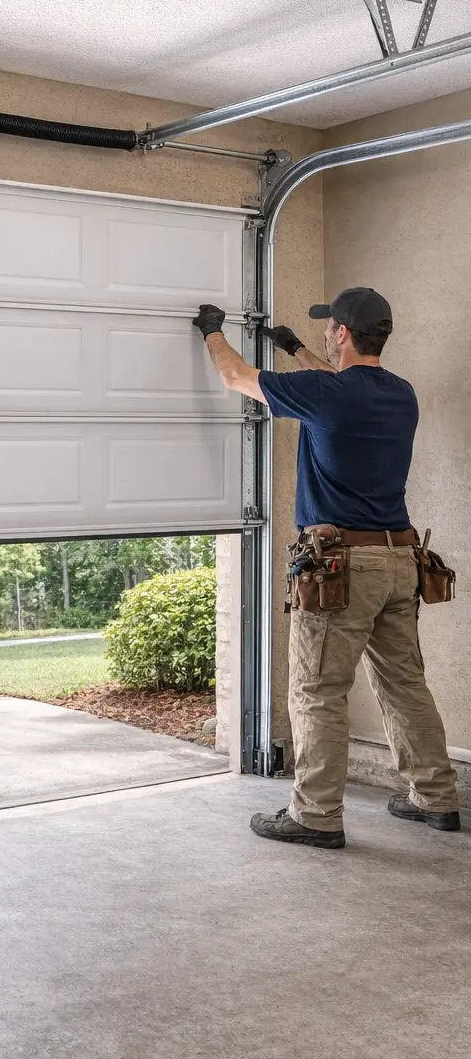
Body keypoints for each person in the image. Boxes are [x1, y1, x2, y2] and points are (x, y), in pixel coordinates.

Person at [192, 287, 459, 849]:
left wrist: (212, 329)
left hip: (341, 569)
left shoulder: (325, 394)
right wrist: (293, 348)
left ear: (341, 332)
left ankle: (315, 815)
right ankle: (435, 798)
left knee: (317, 691)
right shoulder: (400, 393)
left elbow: (236, 376)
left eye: (328, 327)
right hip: (400, 562)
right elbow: (339, 383)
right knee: (406, 685)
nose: (324, 335)